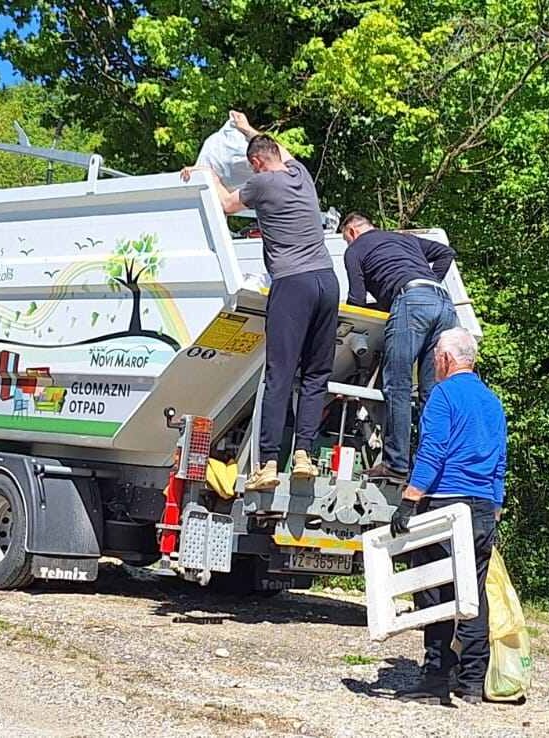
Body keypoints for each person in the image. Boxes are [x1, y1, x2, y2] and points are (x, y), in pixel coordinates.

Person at [183, 111, 337, 490]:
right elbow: (278, 149)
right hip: (327, 282)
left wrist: (205, 172)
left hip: (293, 283)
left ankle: (267, 463)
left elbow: (225, 204)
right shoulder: (300, 174)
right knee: (316, 374)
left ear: (255, 164)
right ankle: (303, 454)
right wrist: (248, 128)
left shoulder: (262, 184)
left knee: (280, 373)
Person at [389, 327, 507, 706]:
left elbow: (433, 451)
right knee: (472, 592)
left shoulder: (442, 395)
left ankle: (435, 679)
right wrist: (496, 504)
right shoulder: (492, 401)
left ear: (444, 359)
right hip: (483, 507)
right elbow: (500, 460)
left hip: (445, 504)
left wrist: (410, 499)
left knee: (435, 591)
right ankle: (472, 681)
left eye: (435, 356)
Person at [339, 212, 458, 480]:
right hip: (443, 303)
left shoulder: (356, 249)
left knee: (398, 385)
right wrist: (432, 283)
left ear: (351, 233)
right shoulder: (404, 239)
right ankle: (431, 469)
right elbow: (446, 253)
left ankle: (396, 464)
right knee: (431, 393)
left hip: (411, 301)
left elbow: (356, 299)